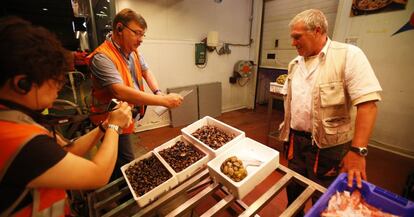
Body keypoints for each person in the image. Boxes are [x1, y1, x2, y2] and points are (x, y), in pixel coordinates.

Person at [0, 16, 132, 216]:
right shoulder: (13, 139)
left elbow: (67, 150)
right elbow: (98, 174)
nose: (59, 88)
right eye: (54, 80)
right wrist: (115, 127)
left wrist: (104, 127)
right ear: (22, 84)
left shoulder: (17, 120)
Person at [278, 9, 382, 215]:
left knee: (324, 198)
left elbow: (368, 104)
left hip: (328, 148)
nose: (293, 43)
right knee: (294, 189)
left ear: (317, 31)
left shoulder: (348, 55)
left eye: (297, 37)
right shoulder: (295, 64)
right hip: (296, 143)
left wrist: (358, 151)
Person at [88, 8, 183, 181]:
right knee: (124, 161)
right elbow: (119, 90)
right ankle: (124, 195)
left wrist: (158, 93)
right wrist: (162, 102)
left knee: (119, 157)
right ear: (119, 28)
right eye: (137, 33)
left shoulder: (133, 51)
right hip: (109, 119)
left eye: (142, 35)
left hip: (125, 116)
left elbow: (146, 72)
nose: (140, 40)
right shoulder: (102, 57)